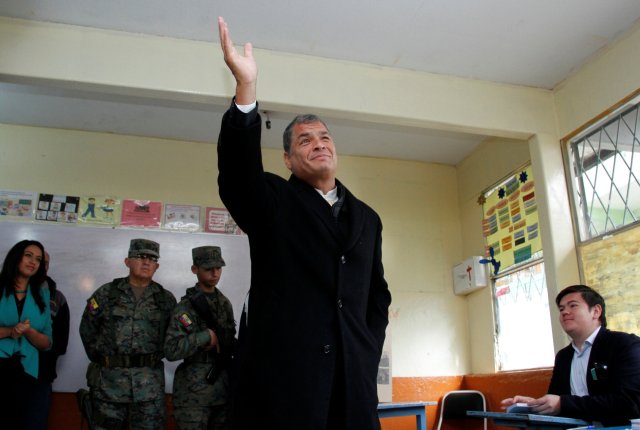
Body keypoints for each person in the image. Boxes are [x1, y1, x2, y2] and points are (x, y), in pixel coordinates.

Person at [217, 17, 392, 430]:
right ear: (288, 159)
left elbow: (376, 295)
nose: (319, 144)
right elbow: (238, 177)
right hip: (285, 384)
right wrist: (246, 91)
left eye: (325, 137)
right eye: (305, 140)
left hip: (353, 382)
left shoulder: (367, 218)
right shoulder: (274, 200)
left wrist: (367, 346)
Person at [501, 284, 640, 426]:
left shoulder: (625, 344)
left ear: (596, 311)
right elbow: (558, 403)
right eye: (561, 309)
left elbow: (629, 402)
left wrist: (562, 403)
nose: (564, 312)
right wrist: (534, 406)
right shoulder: (563, 357)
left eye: (573, 306)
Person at [79, 238, 177, 430]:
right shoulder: (106, 293)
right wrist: (105, 360)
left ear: (157, 265)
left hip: (149, 389)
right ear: (127, 261)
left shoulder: (165, 299)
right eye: (140, 256)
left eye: (152, 258)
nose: (146, 262)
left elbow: (172, 337)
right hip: (109, 386)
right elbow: (87, 329)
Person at [165, 246, 236, 430]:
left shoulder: (224, 303)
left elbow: (230, 341)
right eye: (208, 269)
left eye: (218, 268)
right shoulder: (186, 307)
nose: (215, 273)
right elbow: (171, 350)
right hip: (193, 395)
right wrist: (205, 336)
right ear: (195, 269)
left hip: (222, 391)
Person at [0, 240, 52, 429]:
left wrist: (29, 331)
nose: (33, 262)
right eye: (28, 255)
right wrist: (10, 331)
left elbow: (47, 342)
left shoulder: (42, 295)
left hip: (26, 371)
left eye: (38, 259)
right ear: (16, 257)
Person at [25, 251, 70, 430]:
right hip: (6, 376)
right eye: (32, 259)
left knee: (35, 424)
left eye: (44, 262)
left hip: (40, 379)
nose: (38, 265)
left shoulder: (57, 299)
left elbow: (60, 343)